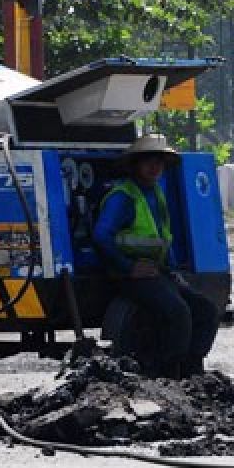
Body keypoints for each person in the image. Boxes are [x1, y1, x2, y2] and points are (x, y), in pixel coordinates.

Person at [94, 134, 219, 379]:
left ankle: (192, 370)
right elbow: (101, 236)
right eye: (148, 161)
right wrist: (129, 267)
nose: (155, 167)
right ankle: (169, 374)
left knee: (206, 310)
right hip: (127, 275)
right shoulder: (124, 197)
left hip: (155, 273)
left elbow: (163, 239)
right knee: (178, 312)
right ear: (135, 165)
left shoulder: (155, 194)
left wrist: (173, 272)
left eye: (159, 162)